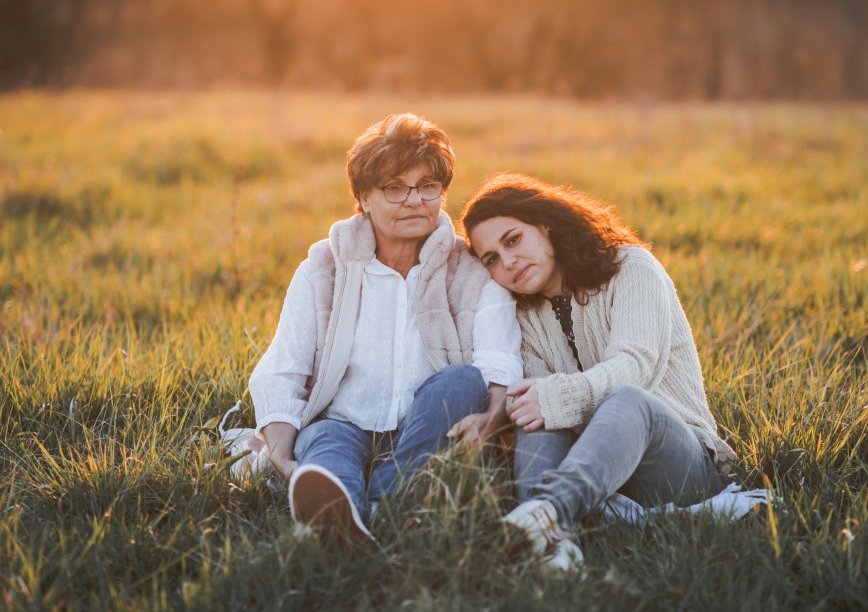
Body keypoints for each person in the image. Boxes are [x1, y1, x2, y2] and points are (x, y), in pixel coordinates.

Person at [249, 114, 521, 544]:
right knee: (326, 444)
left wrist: (493, 419)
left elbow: (499, 359)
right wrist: (281, 455)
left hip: (428, 426)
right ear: (364, 198)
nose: (415, 200)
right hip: (341, 419)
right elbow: (284, 365)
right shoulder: (324, 267)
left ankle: (374, 504)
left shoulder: (470, 271)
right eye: (395, 187)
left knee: (463, 380)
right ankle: (339, 505)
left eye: (428, 185)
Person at [461, 173, 735, 569]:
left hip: (680, 468)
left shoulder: (631, 268)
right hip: (597, 471)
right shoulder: (525, 316)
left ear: (544, 225)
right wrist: (496, 416)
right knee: (531, 407)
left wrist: (556, 397)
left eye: (513, 240)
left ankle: (546, 510)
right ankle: (552, 546)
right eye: (492, 259)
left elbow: (635, 366)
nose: (508, 262)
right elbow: (538, 405)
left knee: (624, 399)